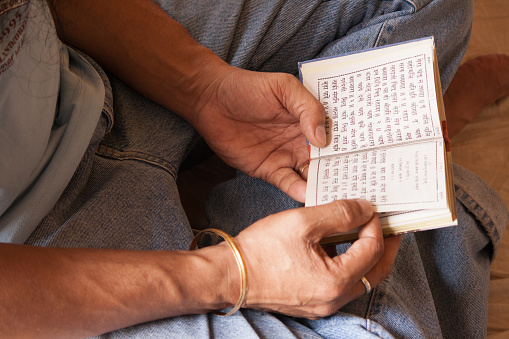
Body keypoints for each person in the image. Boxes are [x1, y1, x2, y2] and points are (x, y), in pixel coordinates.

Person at [0, 0, 507, 338]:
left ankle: (412, 172)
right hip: (41, 259)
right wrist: (233, 273)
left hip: (79, 79)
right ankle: (430, 174)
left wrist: (204, 88)